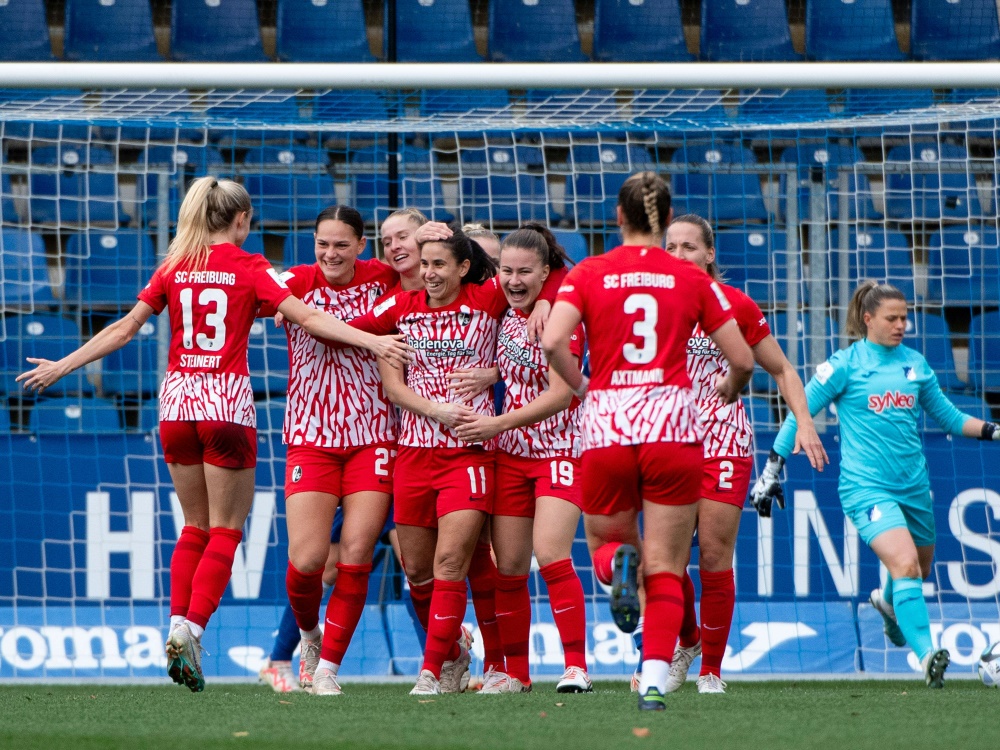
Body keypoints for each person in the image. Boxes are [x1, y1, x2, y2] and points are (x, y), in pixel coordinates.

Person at [16, 177, 411, 693]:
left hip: (176, 401)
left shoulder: (176, 264)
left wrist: (63, 365)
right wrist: (371, 341)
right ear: (242, 220)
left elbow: (125, 328)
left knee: (192, 527)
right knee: (226, 530)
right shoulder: (251, 267)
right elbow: (307, 315)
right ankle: (193, 628)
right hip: (225, 402)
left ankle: (176, 624)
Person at [541, 171, 755, 711]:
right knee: (666, 563)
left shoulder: (590, 272)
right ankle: (656, 681)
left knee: (608, 542)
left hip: (609, 425)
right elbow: (744, 360)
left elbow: (550, 342)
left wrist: (585, 384)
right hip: (673, 428)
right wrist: (729, 388)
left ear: (619, 217)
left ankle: (617, 564)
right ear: (664, 221)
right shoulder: (693, 279)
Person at [751, 281, 1000, 689]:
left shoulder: (916, 364)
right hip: (865, 488)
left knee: (916, 570)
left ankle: (887, 603)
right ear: (868, 320)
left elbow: (951, 418)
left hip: (915, 487)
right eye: (892, 318)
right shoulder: (845, 364)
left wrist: (994, 430)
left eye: (905, 317)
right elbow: (799, 413)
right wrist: (772, 468)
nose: (902, 324)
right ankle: (926, 656)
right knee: (903, 564)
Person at [636, 213, 829, 695]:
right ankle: (687, 640)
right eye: (671, 247)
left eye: (688, 247)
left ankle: (711, 672)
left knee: (716, 554)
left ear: (710, 253)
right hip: (666, 438)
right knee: (664, 559)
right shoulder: (650, 306)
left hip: (723, 438)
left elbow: (782, 369)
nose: (679, 255)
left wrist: (805, 422)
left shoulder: (735, 305)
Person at [349, 230, 512, 695]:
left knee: (451, 560)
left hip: (469, 452)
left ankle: (431, 669)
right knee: (417, 571)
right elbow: (353, 328)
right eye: (425, 265)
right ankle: (458, 656)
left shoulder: (487, 298)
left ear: (462, 267)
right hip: (414, 452)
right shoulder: (401, 307)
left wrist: (496, 370)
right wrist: (289, 309)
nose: (429, 273)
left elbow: (544, 277)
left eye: (440, 264)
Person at [270, 206, 402, 696]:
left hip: (373, 436)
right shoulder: (295, 282)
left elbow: (452, 270)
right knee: (305, 561)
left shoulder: (387, 279)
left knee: (357, 554)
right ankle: (309, 636)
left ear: (361, 246)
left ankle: (327, 669)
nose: (331, 253)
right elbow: (247, 292)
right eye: (323, 243)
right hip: (310, 437)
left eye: (341, 244)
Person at [455, 224, 591, 694]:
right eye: (506, 271)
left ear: (546, 272)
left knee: (552, 554)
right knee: (508, 567)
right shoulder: (504, 311)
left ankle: (576, 668)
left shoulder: (564, 316)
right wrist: (491, 372)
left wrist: (496, 423)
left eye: (525, 273)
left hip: (558, 447)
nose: (513, 280)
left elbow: (559, 394)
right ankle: (515, 674)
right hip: (511, 455)